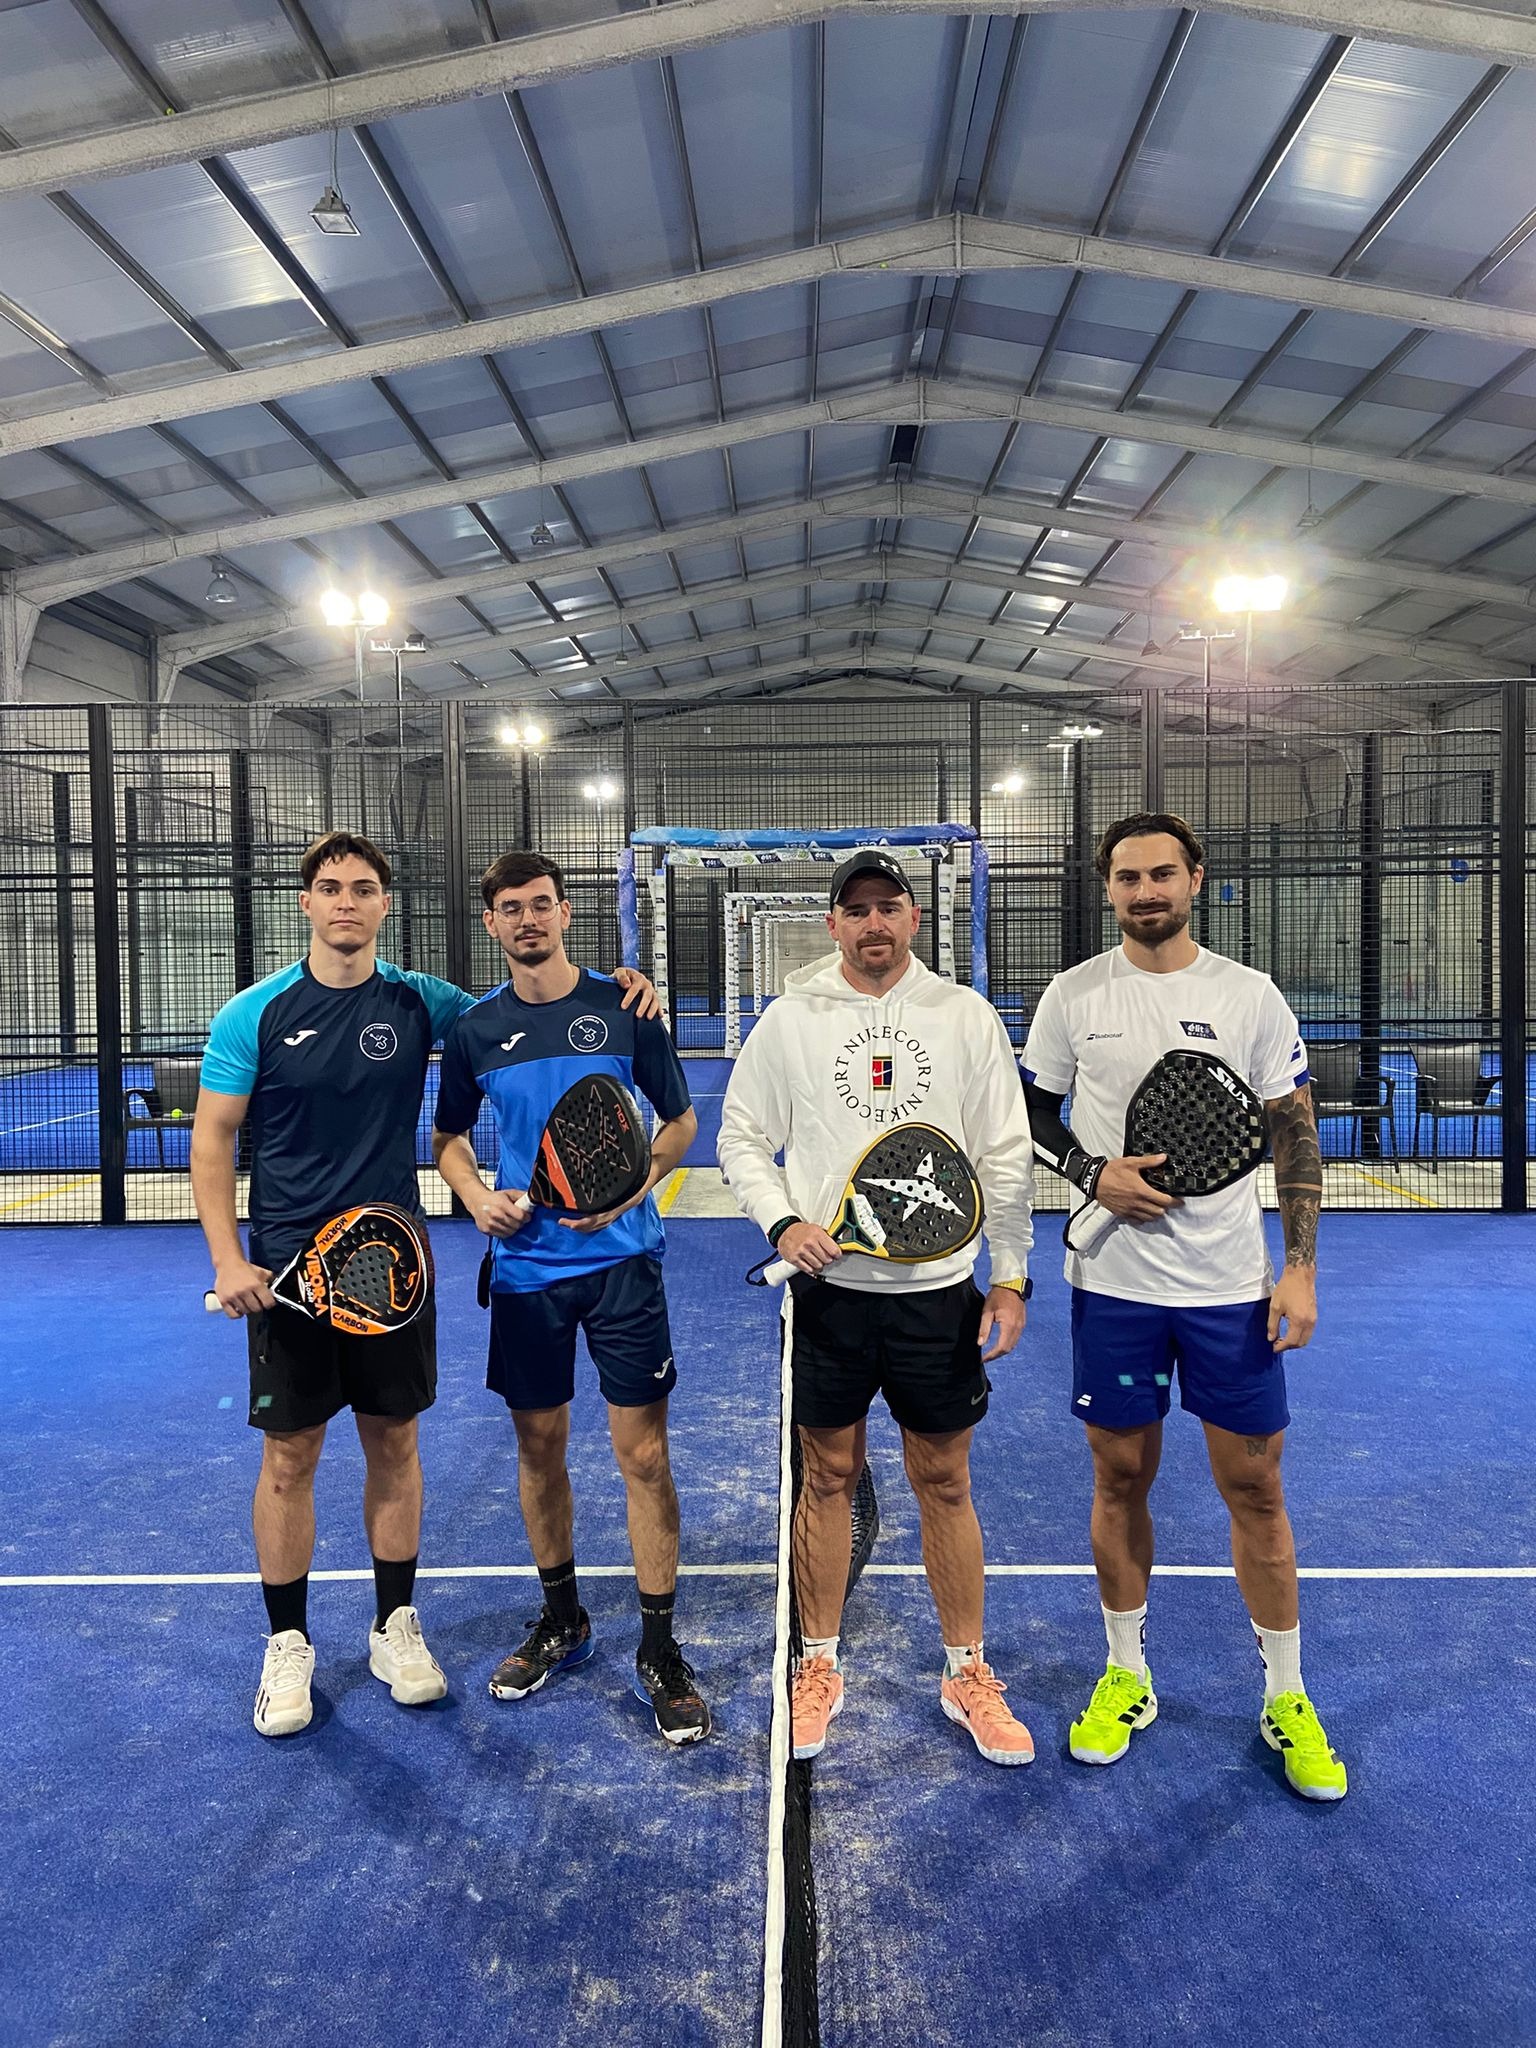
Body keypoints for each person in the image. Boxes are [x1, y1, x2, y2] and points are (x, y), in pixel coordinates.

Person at [193, 830, 657, 1739]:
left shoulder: (421, 1000)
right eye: (331, 888)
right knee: (289, 1457)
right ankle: (287, 1643)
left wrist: (621, 988)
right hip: (288, 1267)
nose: (347, 902)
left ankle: (394, 1626)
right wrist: (225, 1257)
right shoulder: (253, 1013)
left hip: (393, 1263)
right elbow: (213, 1140)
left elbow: (527, 1002)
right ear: (306, 902)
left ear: (383, 904)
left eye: (363, 888)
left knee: (394, 1445)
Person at [1022, 811, 1345, 1801]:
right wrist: (1093, 1174)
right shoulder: (1075, 994)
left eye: (1162, 873)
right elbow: (1030, 1109)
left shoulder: (1248, 995)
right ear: (1108, 888)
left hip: (1227, 1290)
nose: (1146, 890)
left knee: (1256, 1488)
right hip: (1115, 1289)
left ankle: (1287, 1694)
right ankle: (1127, 1672)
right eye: (1128, 877)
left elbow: (1293, 1130)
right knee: (1119, 1476)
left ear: (1195, 879)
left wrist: (1300, 1267)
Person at [718, 851, 1036, 1766]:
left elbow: (1004, 1152)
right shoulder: (791, 1020)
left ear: (913, 918)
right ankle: (817, 1662)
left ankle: (967, 1672)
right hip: (831, 1299)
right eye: (855, 910)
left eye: (888, 906)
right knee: (827, 1478)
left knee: (945, 1480)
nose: (873, 924)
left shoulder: (964, 1016)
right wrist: (782, 1222)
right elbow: (742, 1137)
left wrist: (1010, 1274)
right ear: (831, 925)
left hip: (938, 1298)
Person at [431, 851, 710, 1746]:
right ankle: (564, 1620)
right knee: (539, 1448)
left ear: (565, 913)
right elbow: (447, 1138)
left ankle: (659, 1649)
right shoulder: (475, 1030)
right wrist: (476, 1197)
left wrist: (637, 1186)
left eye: (542, 904)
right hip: (526, 1274)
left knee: (644, 1456)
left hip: (625, 1266)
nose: (528, 920)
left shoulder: (625, 1007)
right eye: (511, 908)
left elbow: (680, 1121)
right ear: (491, 923)